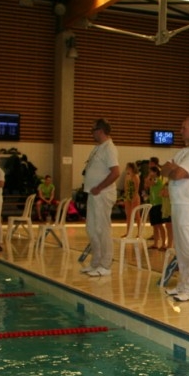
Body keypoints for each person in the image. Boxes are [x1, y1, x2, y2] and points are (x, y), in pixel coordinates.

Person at [160, 116, 189, 302]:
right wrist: (174, 170)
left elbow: (178, 173)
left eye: (183, 128)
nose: (180, 131)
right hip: (178, 203)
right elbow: (164, 170)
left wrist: (175, 170)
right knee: (180, 247)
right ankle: (183, 284)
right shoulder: (182, 152)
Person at [82, 118, 121, 277]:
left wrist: (99, 187)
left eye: (93, 130)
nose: (92, 133)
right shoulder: (98, 148)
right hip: (94, 194)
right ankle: (96, 262)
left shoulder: (109, 148)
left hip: (102, 194)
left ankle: (105, 264)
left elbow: (116, 172)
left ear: (100, 131)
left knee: (102, 229)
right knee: (92, 228)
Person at [121, 162, 141, 235]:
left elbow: (136, 189)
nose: (127, 168)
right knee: (128, 215)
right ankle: (128, 232)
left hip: (134, 196)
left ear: (132, 168)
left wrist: (134, 198)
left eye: (128, 167)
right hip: (128, 196)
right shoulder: (127, 176)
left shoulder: (135, 176)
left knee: (136, 215)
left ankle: (139, 232)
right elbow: (125, 187)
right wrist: (125, 197)